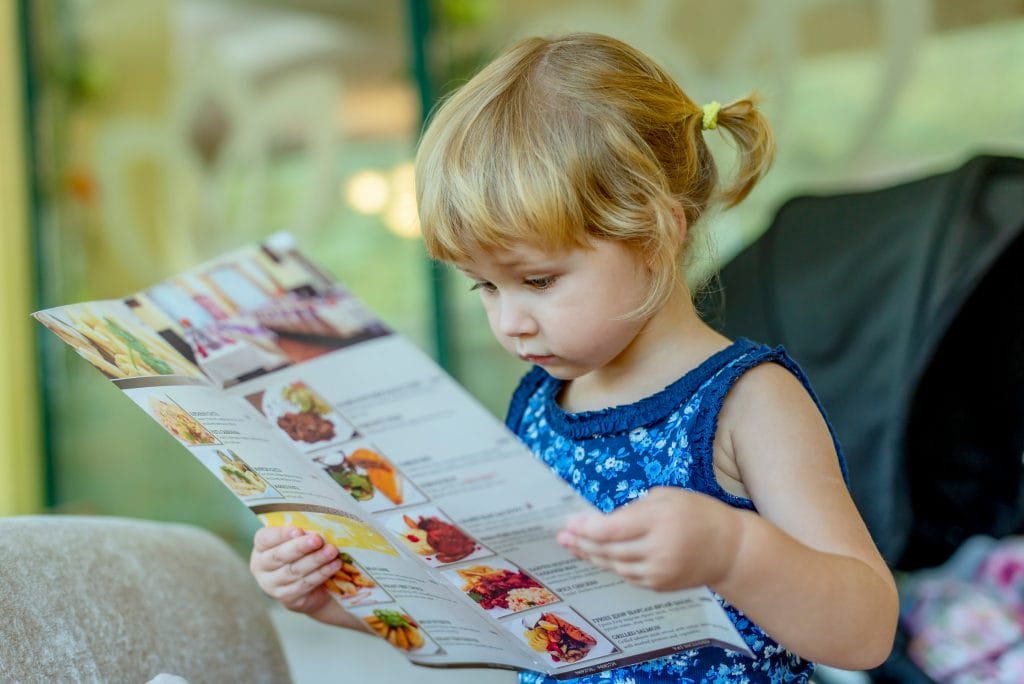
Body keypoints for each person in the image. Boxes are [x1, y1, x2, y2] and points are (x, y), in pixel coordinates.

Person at [249, 32, 898, 683]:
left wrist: (732, 551)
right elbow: (498, 606)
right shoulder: (537, 404)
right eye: (484, 287)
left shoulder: (748, 401)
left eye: (537, 281)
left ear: (656, 232)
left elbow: (866, 633)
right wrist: (333, 594)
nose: (509, 322)